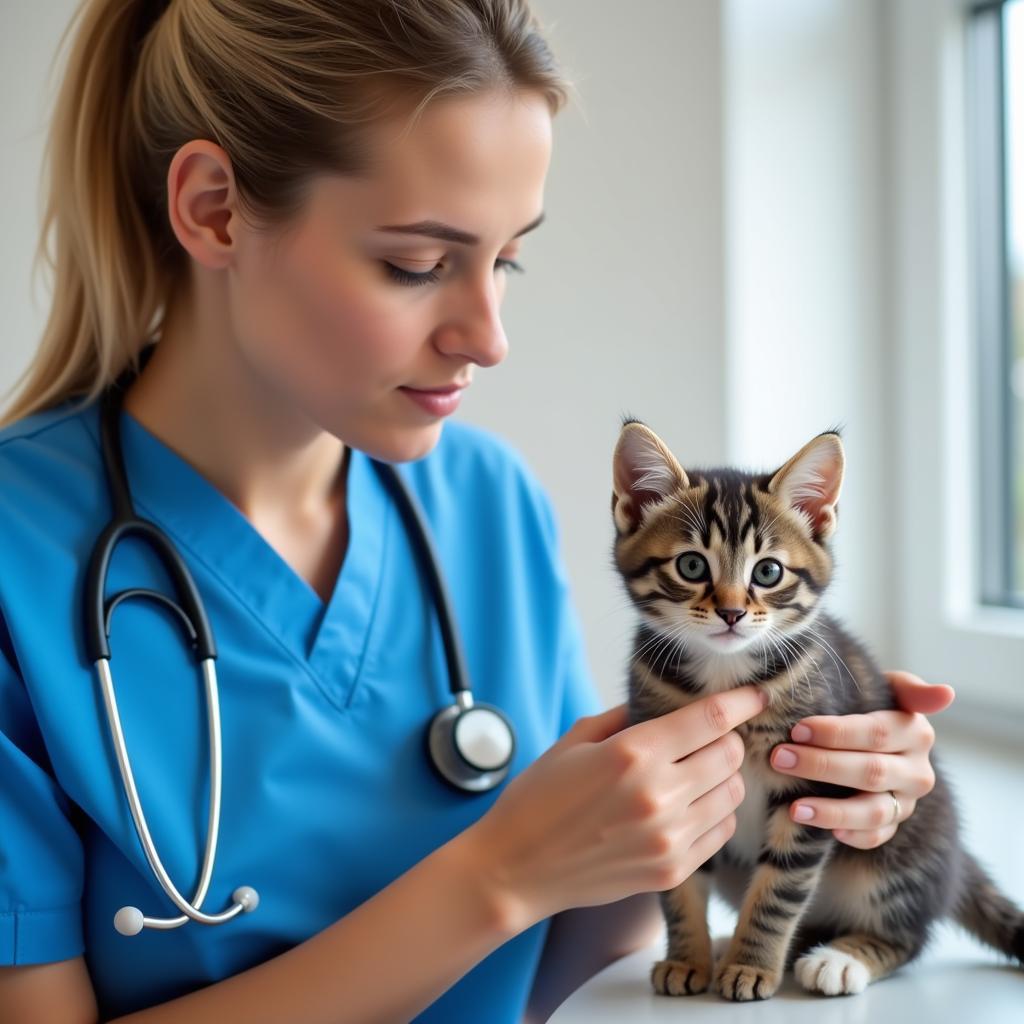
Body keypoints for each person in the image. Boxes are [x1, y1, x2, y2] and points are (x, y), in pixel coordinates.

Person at [0, 1, 953, 1022]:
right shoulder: (21, 552)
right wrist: (498, 875)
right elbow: (518, 887)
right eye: (417, 263)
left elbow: (573, 959)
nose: (488, 337)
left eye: (506, 259)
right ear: (216, 209)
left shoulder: (486, 503)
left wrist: (786, 784)